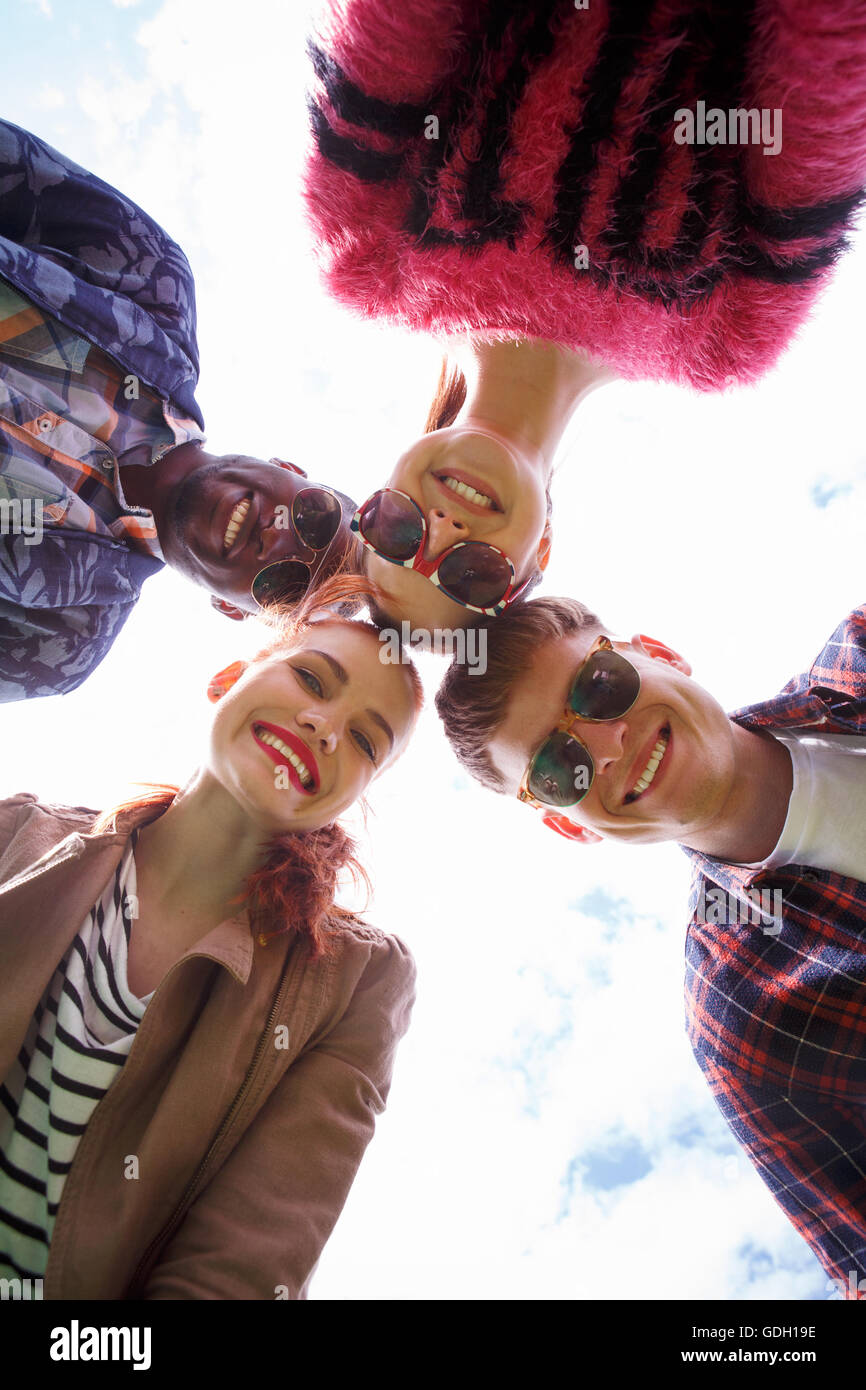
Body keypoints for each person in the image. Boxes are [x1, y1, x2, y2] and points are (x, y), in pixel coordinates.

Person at [304, 0, 866, 630]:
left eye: (396, 534)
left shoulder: (364, 254)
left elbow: (393, 33)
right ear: (536, 557)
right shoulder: (729, 342)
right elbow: (821, 116)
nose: (440, 532)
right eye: (472, 575)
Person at [0, 572, 422, 1299]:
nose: (326, 725)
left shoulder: (355, 982)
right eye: (313, 679)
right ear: (229, 676)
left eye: (363, 739)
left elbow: (241, 1267)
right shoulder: (17, 831)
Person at [435, 596, 866, 1297]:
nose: (607, 748)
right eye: (557, 765)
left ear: (659, 652)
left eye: (598, 687)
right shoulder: (747, 1022)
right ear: (570, 828)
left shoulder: (861, 649)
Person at [0, 119, 362, 702]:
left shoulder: (58, 642)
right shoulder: (150, 280)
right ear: (291, 469)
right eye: (315, 519)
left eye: (291, 586)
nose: (283, 541)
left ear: (231, 609)